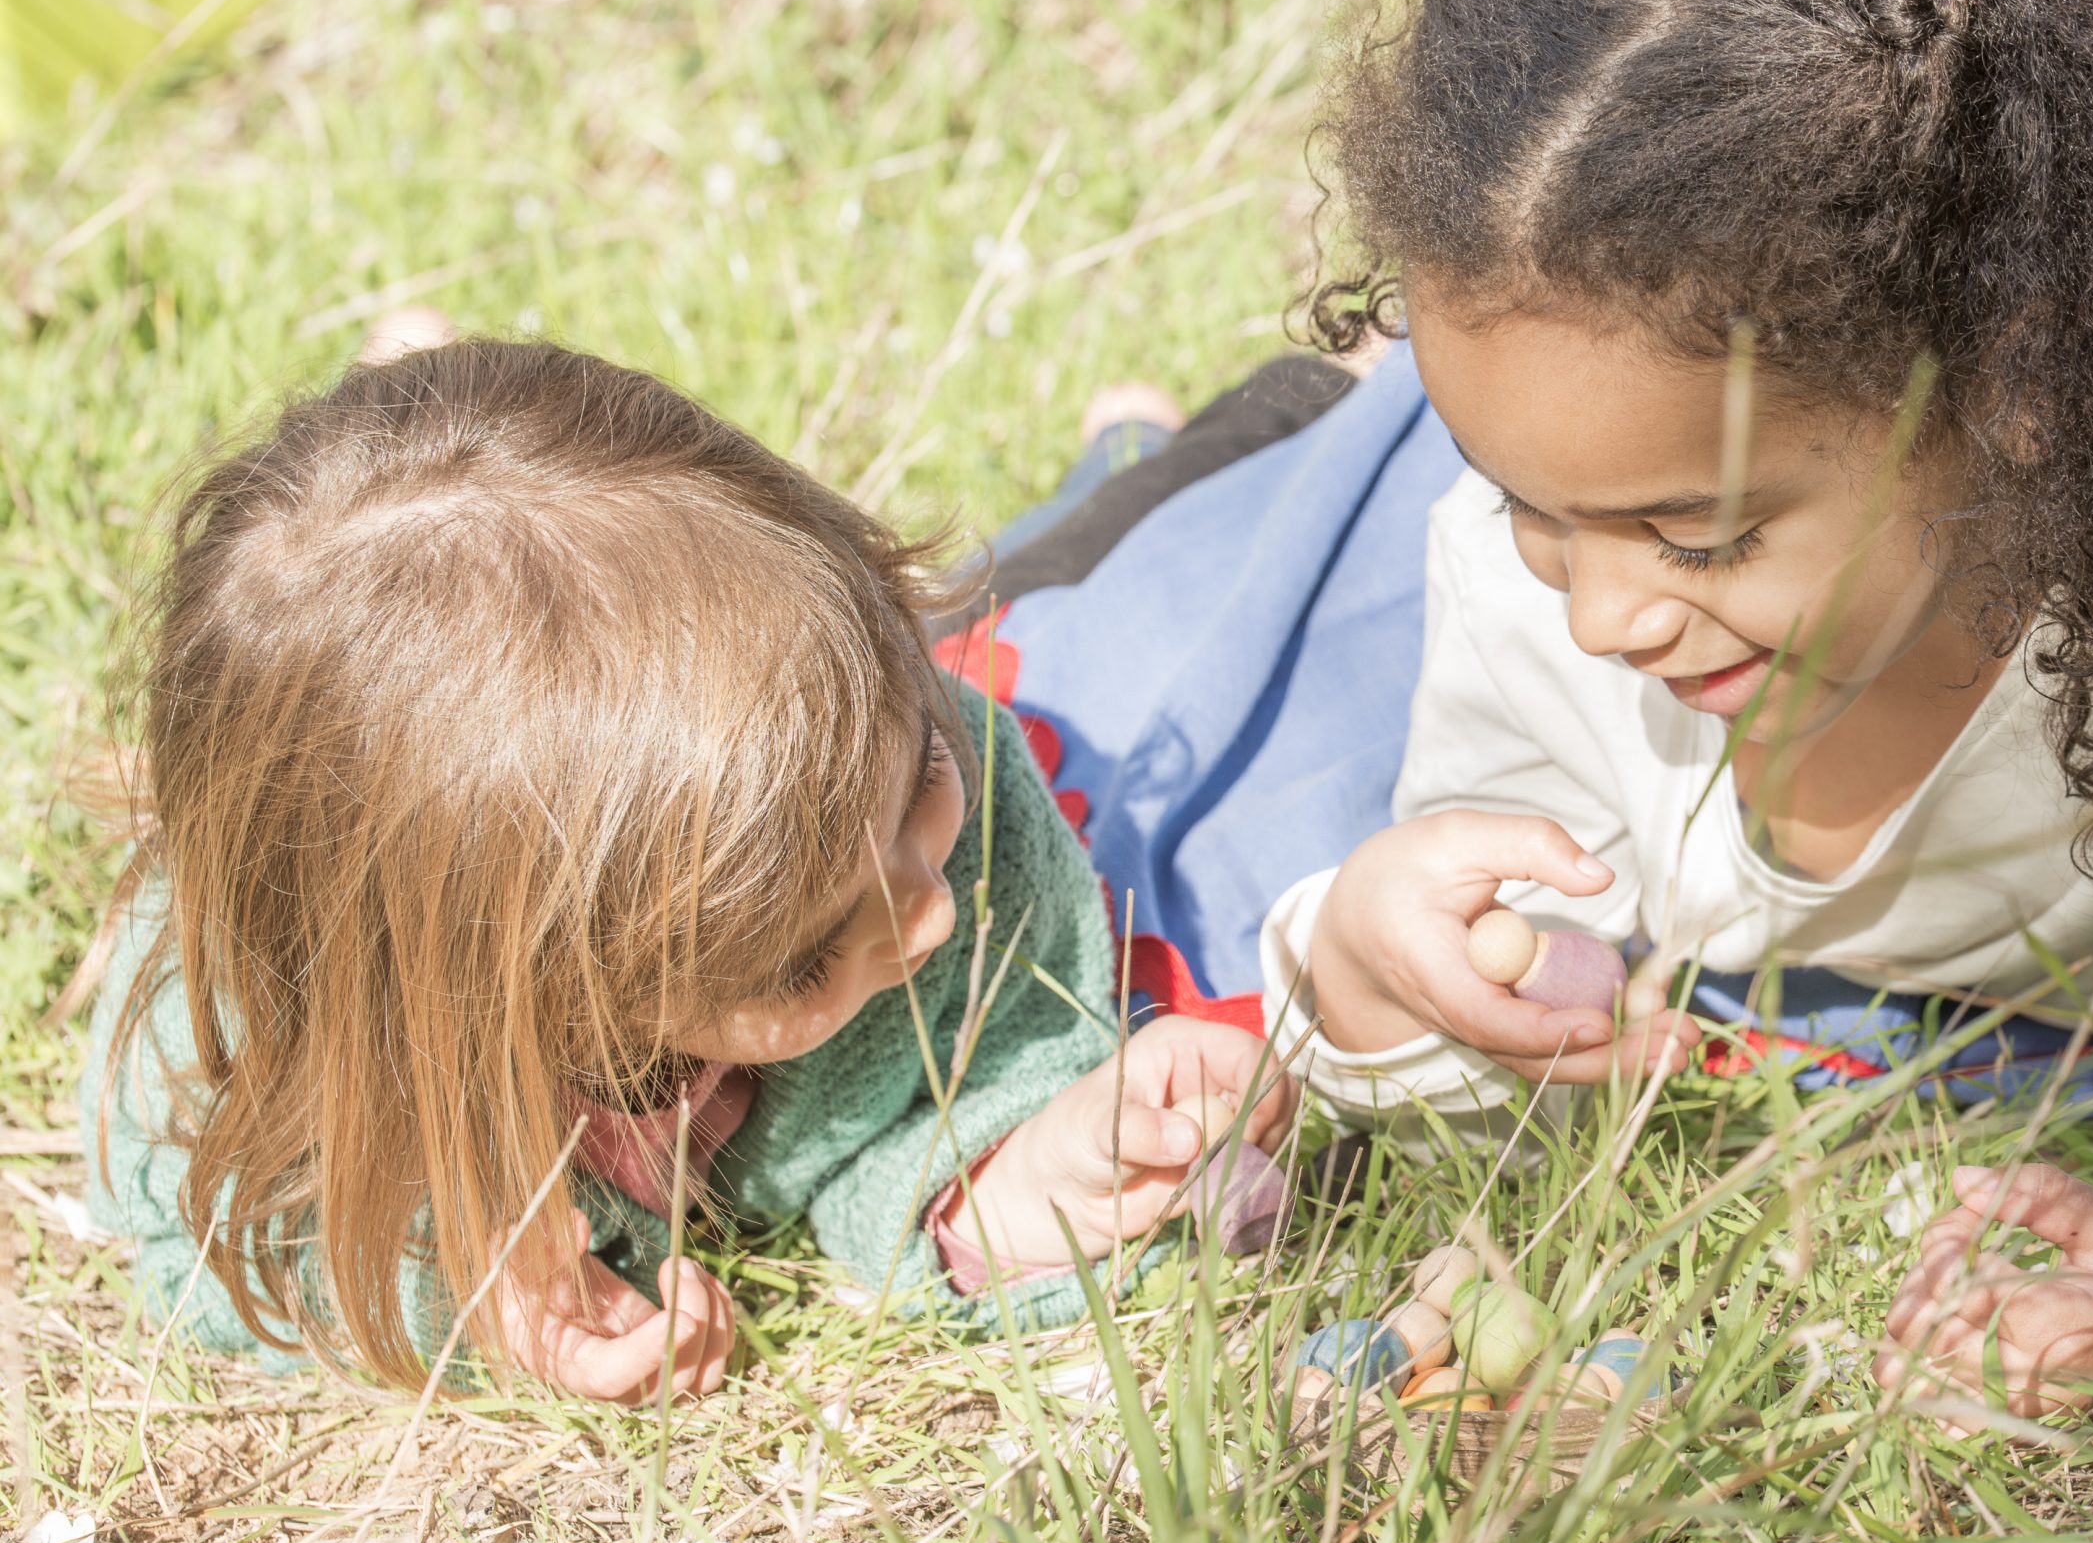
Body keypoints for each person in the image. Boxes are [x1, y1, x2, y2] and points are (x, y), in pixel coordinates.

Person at [1246, 0, 2093, 1408]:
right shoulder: (1525, 564)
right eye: (1523, 501)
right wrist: (1364, 978)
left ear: (2024, 393)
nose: (1598, 618)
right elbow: (1518, 1091)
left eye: (1697, 533)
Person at [80, 336, 1295, 1402]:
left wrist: (1031, 1167)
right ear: (520, 990)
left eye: (916, 773)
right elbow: (211, 1244)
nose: (926, 914)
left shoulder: (909, 759)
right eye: (808, 952)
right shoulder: (255, 1038)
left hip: (1062, 595)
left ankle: (1168, 437)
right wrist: (487, 1311)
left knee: (1127, 547)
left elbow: (979, 1073)